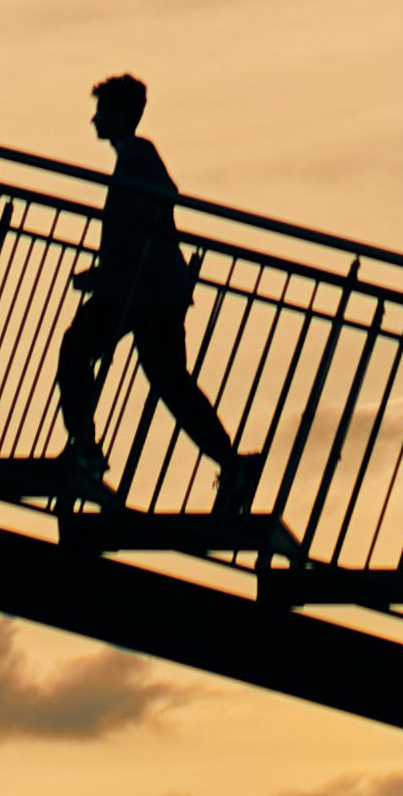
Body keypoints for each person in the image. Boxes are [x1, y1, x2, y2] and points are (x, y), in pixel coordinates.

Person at [56, 72, 260, 526]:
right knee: (171, 383)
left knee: (77, 351)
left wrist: (126, 261)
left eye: (102, 110)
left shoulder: (136, 152)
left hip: (141, 292)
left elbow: (158, 201)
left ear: (121, 114)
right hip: (145, 289)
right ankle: (232, 465)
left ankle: (85, 448)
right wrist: (109, 268)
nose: (94, 119)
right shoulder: (134, 155)